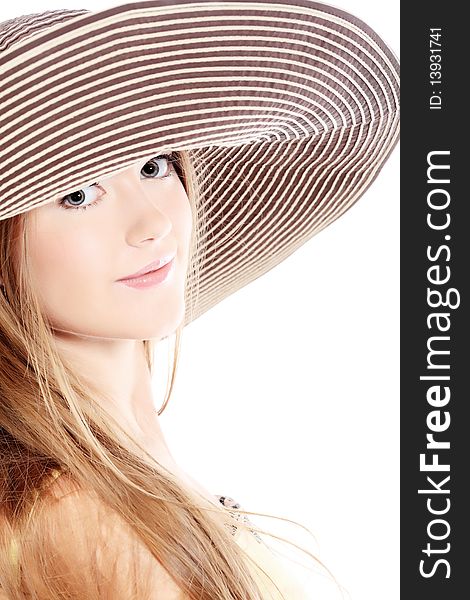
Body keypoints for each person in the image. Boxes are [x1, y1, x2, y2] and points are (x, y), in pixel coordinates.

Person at [0, 1, 400, 598]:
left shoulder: (117, 487)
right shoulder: (82, 521)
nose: (153, 222)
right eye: (79, 195)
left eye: (155, 165)